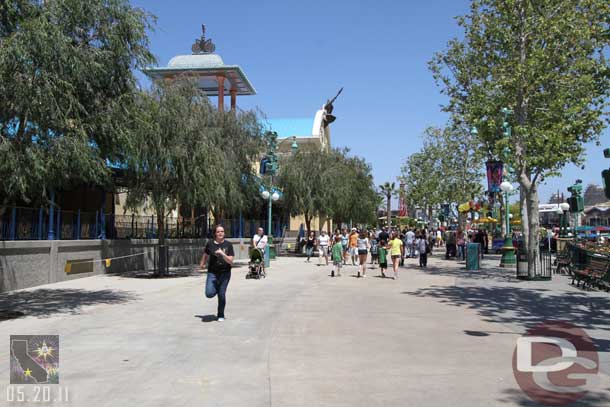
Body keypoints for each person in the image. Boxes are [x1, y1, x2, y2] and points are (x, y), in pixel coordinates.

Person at [200, 225, 235, 322]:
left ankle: (221, 314)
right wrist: (202, 263)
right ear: (215, 233)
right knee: (209, 293)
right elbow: (206, 254)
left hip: (225, 273)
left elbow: (231, 261)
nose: (220, 233)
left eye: (222, 231)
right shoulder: (210, 244)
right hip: (212, 273)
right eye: (218, 231)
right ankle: (217, 289)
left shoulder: (228, 245)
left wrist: (222, 254)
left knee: (222, 294)